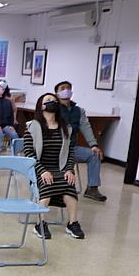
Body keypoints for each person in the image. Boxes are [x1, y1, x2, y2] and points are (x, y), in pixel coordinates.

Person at [23, 93, 85, 240]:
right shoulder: (32, 127)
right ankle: (40, 223)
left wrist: (69, 169)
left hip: (60, 168)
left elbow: (70, 152)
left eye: (54, 100)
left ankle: (73, 223)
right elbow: (29, 154)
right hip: (39, 169)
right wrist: (42, 171)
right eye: (48, 100)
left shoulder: (66, 127)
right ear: (41, 106)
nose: (53, 102)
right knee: (47, 183)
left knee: (69, 184)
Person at [55, 80, 107, 202]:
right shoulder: (54, 109)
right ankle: (60, 189)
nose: (66, 91)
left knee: (94, 154)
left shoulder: (79, 111)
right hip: (57, 149)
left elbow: (86, 127)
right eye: (62, 88)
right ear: (56, 93)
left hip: (72, 148)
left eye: (68, 88)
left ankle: (92, 188)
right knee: (65, 162)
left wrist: (93, 145)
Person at [0, 80, 19, 153]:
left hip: (6, 124)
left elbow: (11, 114)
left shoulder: (8, 102)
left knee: (14, 134)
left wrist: (12, 125)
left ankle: (16, 152)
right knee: (0, 134)